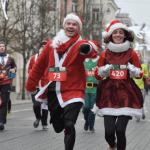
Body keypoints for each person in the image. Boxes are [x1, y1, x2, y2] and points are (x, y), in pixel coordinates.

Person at [25, 13, 96, 150]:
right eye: (68, 23)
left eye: (74, 24)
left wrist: (87, 49)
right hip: (54, 90)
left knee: (69, 124)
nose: (71, 26)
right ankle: (62, 125)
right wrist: (30, 85)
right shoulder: (51, 44)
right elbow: (38, 66)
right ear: (64, 25)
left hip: (74, 90)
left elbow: (89, 50)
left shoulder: (81, 44)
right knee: (58, 127)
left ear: (78, 28)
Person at [91, 20, 143, 150]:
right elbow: (97, 76)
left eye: (121, 32)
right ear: (111, 35)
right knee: (109, 132)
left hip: (126, 93)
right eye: (115, 32)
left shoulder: (132, 53)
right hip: (108, 94)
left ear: (125, 35)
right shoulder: (104, 53)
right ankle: (112, 144)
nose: (118, 35)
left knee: (120, 130)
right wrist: (103, 71)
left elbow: (139, 74)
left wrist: (133, 70)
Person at [28, 40, 49, 130]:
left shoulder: (51, 58)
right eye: (42, 47)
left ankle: (44, 124)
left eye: (45, 47)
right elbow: (29, 69)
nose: (43, 48)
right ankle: (38, 117)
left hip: (45, 86)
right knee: (36, 105)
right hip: (36, 86)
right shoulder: (34, 58)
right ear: (40, 48)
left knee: (45, 105)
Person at [82, 40, 101, 133]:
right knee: (86, 107)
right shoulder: (83, 60)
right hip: (85, 88)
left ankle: (91, 125)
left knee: (92, 107)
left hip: (95, 87)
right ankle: (86, 120)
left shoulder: (99, 60)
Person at [0, 41, 17, 131]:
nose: (2, 48)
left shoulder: (10, 57)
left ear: (5, 48)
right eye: (0, 46)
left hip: (6, 82)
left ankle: (1, 122)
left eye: (3, 46)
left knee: (3, 102)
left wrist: (14, 70)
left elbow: (15, 66)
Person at [133, 53, 149, 121]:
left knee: (141, 102)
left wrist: (143, 73)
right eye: (137, 57)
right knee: (136, 102)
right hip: (134, 87)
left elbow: (147, 76)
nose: (138, 58)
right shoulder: (132, 66)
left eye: (139, 56)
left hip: (141, 87)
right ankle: (138, 116)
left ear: (141, 58)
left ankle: (142, 113)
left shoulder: (144, 66)